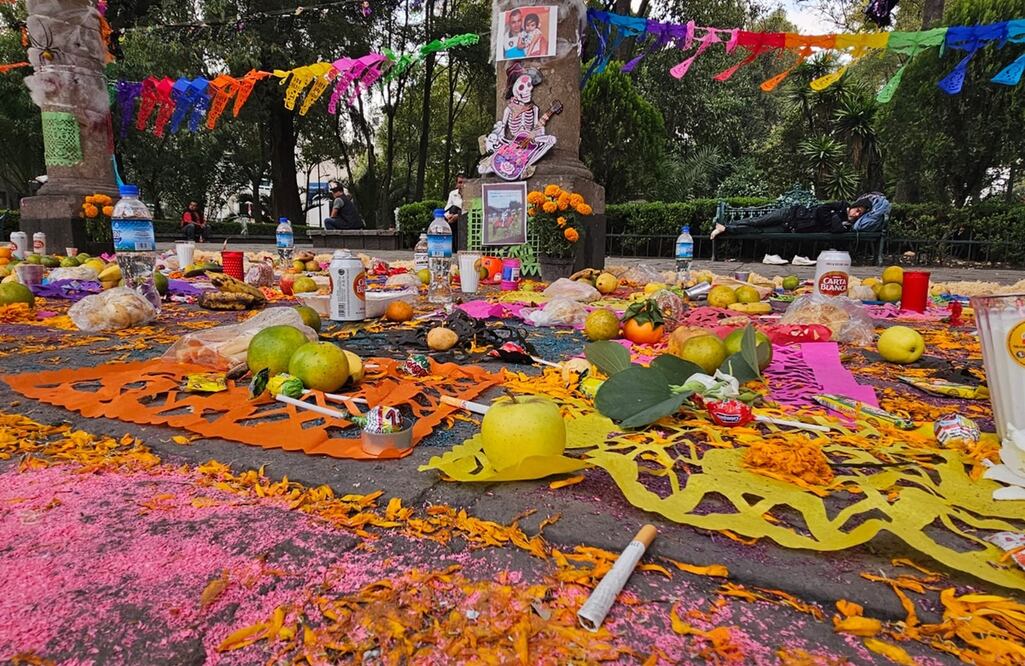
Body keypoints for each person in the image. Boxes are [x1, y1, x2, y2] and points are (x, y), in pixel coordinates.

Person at [709, 194, 889, 240]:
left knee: (760, 230)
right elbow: (822, 210)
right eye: (857, 210)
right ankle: (725, 226)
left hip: (791, 228)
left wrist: (835, 220)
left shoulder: (846, 225)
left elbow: (834, 230)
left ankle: (726, 229)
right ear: (854, 206)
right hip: (791, 213)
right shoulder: (842, 206)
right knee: (756, 220)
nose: (856, 214)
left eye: (859, 215)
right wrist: (834, 218)